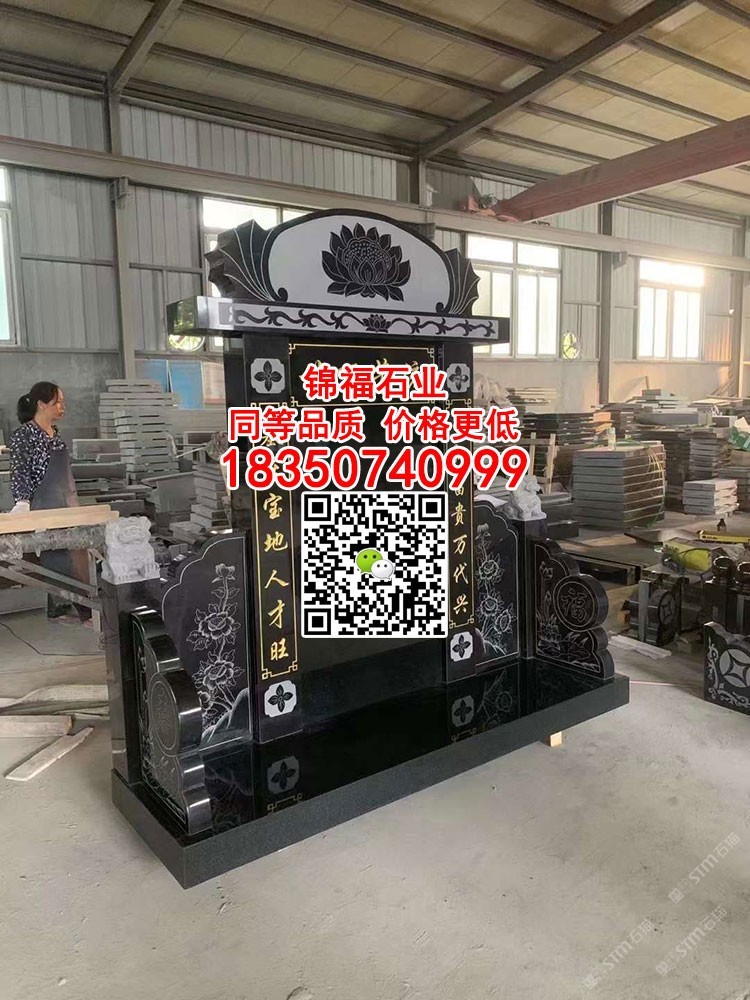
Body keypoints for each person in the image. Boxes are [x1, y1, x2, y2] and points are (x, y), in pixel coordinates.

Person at [9, 382, 92, 626]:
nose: (62, 406)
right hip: (45, 506)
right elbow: (20, 472)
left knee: (78, 556)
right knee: (58, 559)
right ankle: (80, 611)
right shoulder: (24, 436)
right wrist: (22, 502)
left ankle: (80, 608)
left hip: (68, 503)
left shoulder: (55, 435)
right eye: (57, 402)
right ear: (41, 404)